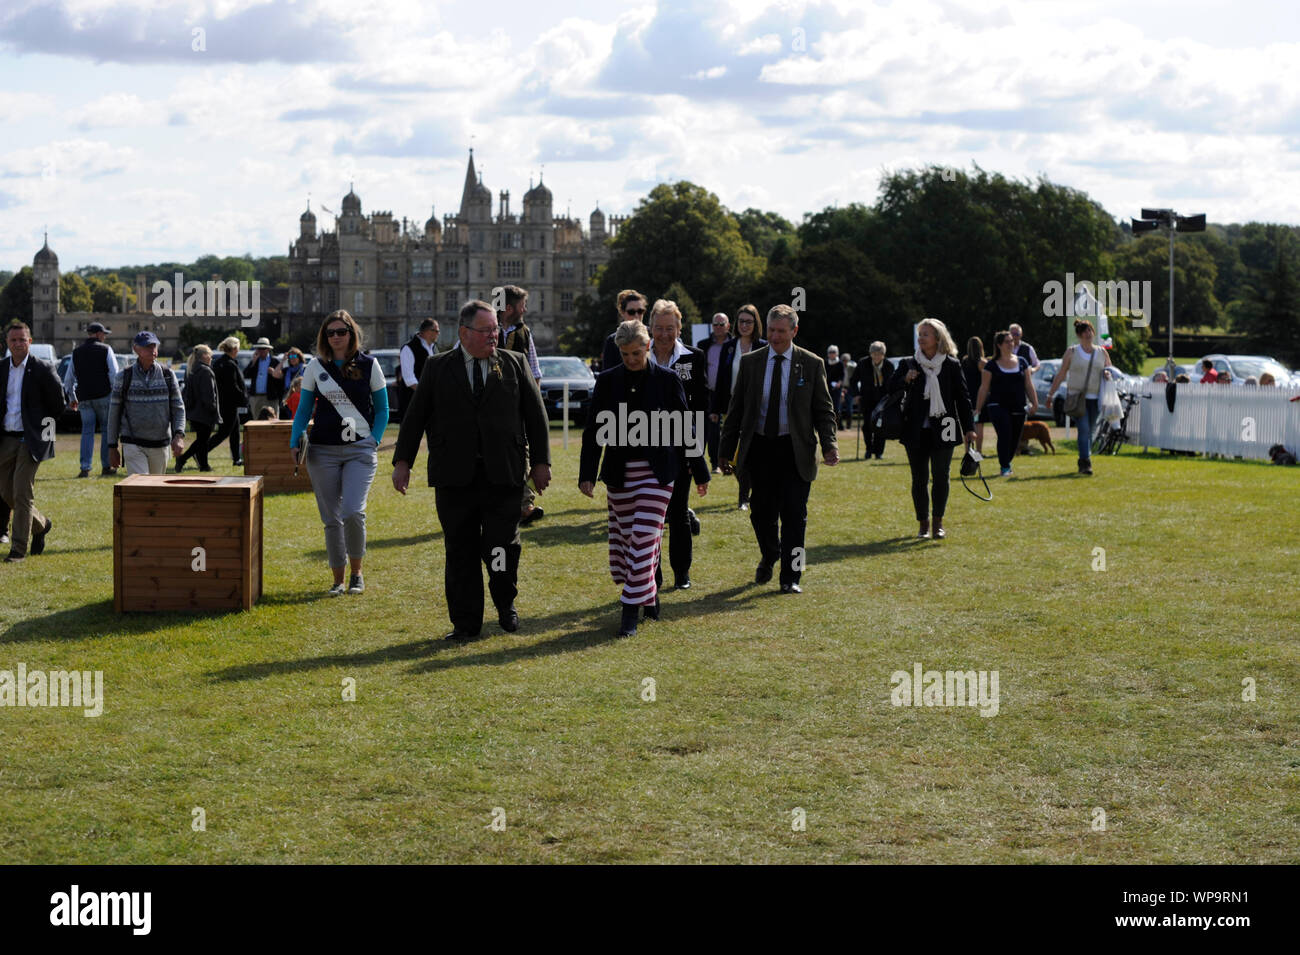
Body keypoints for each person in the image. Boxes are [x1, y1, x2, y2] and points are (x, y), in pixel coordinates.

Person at [392, 299, 551, 641]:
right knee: (460, 549)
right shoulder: (437, 367)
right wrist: (402, 462)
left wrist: (540, 463)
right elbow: (415, 417)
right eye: (486, 330)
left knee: (500, 547)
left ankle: (505, 602)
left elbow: (536, 417)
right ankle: (465, 624)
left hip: (503, 475)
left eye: (496, 328)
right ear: (464, 333)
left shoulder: (514, 363)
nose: (494, 335)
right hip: (455, 477)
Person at [580, 320, 707, 636]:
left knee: (644, 538)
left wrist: (700, 470)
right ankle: (649, 599)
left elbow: (685, 426)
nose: (631, 359)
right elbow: (594, 431)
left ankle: (629, 613)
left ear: (648, 348)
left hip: (659, 473)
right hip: (620, 474)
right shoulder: (608, 381)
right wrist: (587, 475)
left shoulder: (666, 380)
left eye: (636, 353)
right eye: (624, 354)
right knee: (628, 542)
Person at [720, 304, 838, 593]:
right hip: (760, 449)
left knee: (795, 515)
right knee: (761, 512)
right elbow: (735, 411)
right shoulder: (751, 363)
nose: (775, 336)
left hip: (795, 450)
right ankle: (771, 552)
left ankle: (791, 578)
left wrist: (829, 445)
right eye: (771, 330)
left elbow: (824, 410)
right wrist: (725, 450)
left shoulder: (811, 364)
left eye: (781, 331)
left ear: (794, 331)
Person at [289, 310, 389, 596]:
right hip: (323, 451)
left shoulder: (370, 365)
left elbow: (382, 409)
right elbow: (303, 410)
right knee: (331, 519)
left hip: (360, 451)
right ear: (324, 337)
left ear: (351, 333)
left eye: (341, 332)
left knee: (353, 512)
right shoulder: (314, 367)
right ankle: (338, 579)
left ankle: (357, 573)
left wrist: (374, 439)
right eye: (330, 333)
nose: (335, 337)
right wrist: (295, 441)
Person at [888, 317, 976, 539]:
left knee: (941, 475)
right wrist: (905, 379)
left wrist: (969, 428)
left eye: (925, 334)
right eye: (920, 334)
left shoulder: (952, 364)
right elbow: (890, 388)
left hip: (945, 426)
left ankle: (938, 522)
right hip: (915, 429)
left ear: (938, 338)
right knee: (919, 479)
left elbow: (963, 399)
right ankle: (923, 524)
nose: (921, 338)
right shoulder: (908, 363)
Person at [647, 299, 711, 590]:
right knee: (650, 516)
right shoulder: (639, 355)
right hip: (644, 446)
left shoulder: (694, 358)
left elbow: (700, 407)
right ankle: (652, 575)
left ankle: (681, 572)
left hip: (682, 446)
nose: (663, 334)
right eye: (658, 328)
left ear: (679, 328)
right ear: (650, 328)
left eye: (669, 328)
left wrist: (694, 451)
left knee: (678, 511)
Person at [0, 322, 61, 562]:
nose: (17, 344)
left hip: (30, 440)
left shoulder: (43, 369)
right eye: (13, 340)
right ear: (7, 343)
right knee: (6, 492)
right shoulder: (2, 368)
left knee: (22, 493)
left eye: (22, 340)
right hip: (6, 438)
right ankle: (41, 525)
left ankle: (18, 550)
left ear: (30, 341)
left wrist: (41, 432)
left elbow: (58, 403)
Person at [498, 286, 546, 527]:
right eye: (522, 305)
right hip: (489, 409)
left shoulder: (525, 333)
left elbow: (534, 371)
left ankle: (525, 506)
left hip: (517, 408)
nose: (525, 310)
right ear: (509, 308)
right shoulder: (482, 329)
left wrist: (533, 405)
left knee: (522, 455)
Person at [107, 331, 185, 476]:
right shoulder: (123, 377)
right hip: (132, 443)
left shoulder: (168, 375)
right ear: (136, 349)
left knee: (155, 490)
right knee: (140, 486)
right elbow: (114, 414)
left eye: (154, 345)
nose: (152, 350)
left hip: (160, 443)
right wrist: (112, 446)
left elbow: (178, 408)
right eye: (147, 346)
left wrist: (179, 435)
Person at [712, 304, 765, 510]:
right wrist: (715, 409)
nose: (744, 325)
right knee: (733, 452)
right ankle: (745, 492)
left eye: (748, 321)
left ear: (756, 324)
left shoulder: (763, 346)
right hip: (733, 407)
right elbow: (721, 379)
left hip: (757, 407)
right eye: (741, 321)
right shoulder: (729, 347)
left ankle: (745, 495)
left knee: (750, 451)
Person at [1046, 319, 1114, 476]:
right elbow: (1062, 373)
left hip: (1096, 397)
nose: (1088, 334)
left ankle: (1084, 458)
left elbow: (1109, 369)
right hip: (1077, 397)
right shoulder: (1072, 352)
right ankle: (1085, 462)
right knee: (1083, 429)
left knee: (1090, 431)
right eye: (1084, 331)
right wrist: (1051, 394)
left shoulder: (1102, 352)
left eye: (1089, 330)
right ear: (1079, 335)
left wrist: (1107, 373)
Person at [974, 330, 1038, 477]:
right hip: (997, 406)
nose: (1011, 343)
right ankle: (1005, 466)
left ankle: (1006, 462)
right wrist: (977, 408)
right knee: (1005, 434)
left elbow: (1028, 385)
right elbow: (984, 388)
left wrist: (1035, 402)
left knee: (1014, 438)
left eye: (1012, 341)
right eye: (1007, 341)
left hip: (1018, 406)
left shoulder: (1022, 362)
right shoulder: (991, 365)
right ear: (999, 345)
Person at [62, 321, 119, 478]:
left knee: (87, 432)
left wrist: (72, 397)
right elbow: (114, 374)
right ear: (98, 334)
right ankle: (106, 466)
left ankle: (85, 467)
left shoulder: (76, 352)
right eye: (104, 334)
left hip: (84, 398)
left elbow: (68, 380)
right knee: (107, 431)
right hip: (104, 396)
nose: (105, 337)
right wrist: (115, 395)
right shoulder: (106, 350)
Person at [173, 345, 220, 473]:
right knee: (202, 441)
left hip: (194, 412)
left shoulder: (192, 369)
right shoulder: (206, 371)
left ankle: (204, 465)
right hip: (204, 412)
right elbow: (209, 395)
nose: (211, 357)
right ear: (204, 356)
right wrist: (213, 409)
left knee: (202, 441)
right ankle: (183, 459)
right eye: (210, 355)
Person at [852, 341, 895, 459]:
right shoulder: (862, 363)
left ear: (883, 355)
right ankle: (868, 450)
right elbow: (853, 381)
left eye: (879, 354)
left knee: (881, 426)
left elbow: (892, 384)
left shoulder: (889, 366)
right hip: (866, 399)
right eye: (874, 354)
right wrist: (856, 395)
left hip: (883, 401)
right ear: (870, 354)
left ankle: (879, 452)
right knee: (867, 426)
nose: (876, 356)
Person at [699, 312, 730, 472]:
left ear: (728, 326)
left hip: (728, 394)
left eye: (721, 324)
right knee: (710, 429)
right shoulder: (703, 345)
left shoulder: (734, 345)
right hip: (708, 393)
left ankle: (729, 461)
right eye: (715, 324)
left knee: (728, 429)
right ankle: (714, 464)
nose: (718, 327)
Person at [209, 337, 247, 466]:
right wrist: (243, 397)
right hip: (229, 404)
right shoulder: (229, 364)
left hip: (224, 403)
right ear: (235, 349)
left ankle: (236, 458)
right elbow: (233, 386)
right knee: (224, 432)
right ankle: (201, 452)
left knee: (235, 432)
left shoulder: (220, 362)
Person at [398, 319, 439, 419]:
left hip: (431, 402)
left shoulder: (434, 348)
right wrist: (427, 393)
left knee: (435, 433)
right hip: (412, 401)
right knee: (410, 433)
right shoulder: (409, 348)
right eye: (436, 331)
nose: (438, 334)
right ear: (428, 331)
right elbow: (409, 380)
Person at [601, 290, 648, 373]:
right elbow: (607, 375)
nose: (637, 315)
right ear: (622, 313)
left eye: (640, 311)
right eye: (631, 312)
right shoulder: (612, 341)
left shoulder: (654, 335)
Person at [959, 337, 986, 454]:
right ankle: (978, 451)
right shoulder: (983, 362)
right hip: (979, 396)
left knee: (968, 425)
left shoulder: (964, 361)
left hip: (967, 396)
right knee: (979, 424)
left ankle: (968, 450)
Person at [244, 337, 283, 420]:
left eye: (263, 348)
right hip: (256, 397)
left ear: (268, 349)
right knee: (256, 421)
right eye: (259, 348)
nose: (261, 351)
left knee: (273, 420)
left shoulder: (274, 361)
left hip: (271, 398)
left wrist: (274, 373)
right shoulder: (255, 361)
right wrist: (253, 362)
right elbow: (245, 375)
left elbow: (281, 380)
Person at [274, 347, 308, 415]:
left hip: (303, 400)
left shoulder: (305, 369)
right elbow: (275, 374)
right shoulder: (286, 370)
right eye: (290, 356)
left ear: (299, 357)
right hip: (289, 401)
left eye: (294, 356)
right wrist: (283, 361)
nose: (292, 358)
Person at [825, 346, 846, 431]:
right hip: (827, 387)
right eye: (830, 352)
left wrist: (839, 383)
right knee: (827, 406)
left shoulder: (840, 363)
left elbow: (842, 375)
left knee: (836, 408)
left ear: (837, 353)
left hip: (837, 388)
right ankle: (827, 425)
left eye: (833, 352)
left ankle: (838, 424)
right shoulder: (825, 362)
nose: (832, 354)